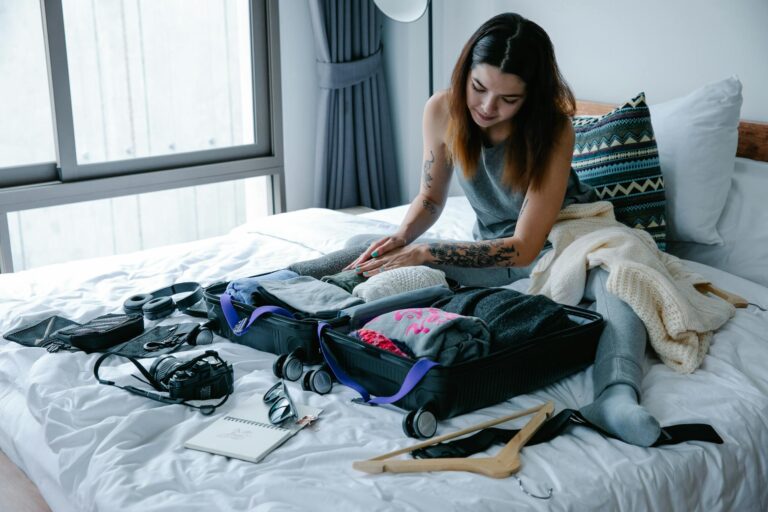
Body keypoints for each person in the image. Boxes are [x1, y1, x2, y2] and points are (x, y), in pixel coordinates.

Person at [344, 12, 661, 446]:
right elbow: (431, 199)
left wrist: (427, 253)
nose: (488, 107)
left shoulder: (553, 129)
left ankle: (616, 396)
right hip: (496, 250)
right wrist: (401, 239)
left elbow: (527, 248)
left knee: (620, 278)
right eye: (479, 88)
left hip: (562, 239)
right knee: (366, 248)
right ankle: (315, 312)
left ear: (529, 98)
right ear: (464, 75)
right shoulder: (440, 110)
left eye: (508, 99)